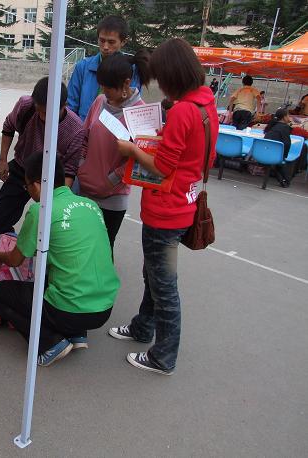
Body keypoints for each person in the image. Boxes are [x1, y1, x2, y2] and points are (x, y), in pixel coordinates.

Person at [108, 38, 218, 375]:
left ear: (171, 75)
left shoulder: (183, 110)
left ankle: (163, 357)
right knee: (153, 275)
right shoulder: (206, 104)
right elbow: (201, 156)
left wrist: (132, 149)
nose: (160, 86)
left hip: (166, 211)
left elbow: (162, 167)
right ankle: (143, 327)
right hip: (185, 204)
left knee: (164, 287)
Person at [0, 153, 120, 366]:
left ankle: (49, 342)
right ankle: (77, 334)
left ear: (37, 184)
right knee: (62, 271)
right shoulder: (90, 205)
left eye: (27, 186)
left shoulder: (41, 210)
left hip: (69, 309)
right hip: (104, 307)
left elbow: (15, 259)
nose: (29, 192)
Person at [0, 77, 84, 235]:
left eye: (47, 113)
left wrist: (57, 203)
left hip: (53, 178)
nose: (42, 117)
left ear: (64, 105)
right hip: (22, 168)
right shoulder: (25, 105)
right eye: (38, 110)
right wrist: (3, 160)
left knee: (51, 228)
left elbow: (69, 171)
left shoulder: (76, 129)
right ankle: (8, 246)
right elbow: (8, 127)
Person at [78, 51, 151, 252]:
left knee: (103, 248)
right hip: (85, 189)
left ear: (126, 83)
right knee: (82, 246)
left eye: (109, 87)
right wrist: (81, 165)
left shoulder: (140, 112)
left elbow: (140, 160)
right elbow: (84, 136)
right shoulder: (99, 101)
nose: (104, 90)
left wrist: (112, 179)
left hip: (113, 197)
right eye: (102, 85)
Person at [67, 15, 142, 121]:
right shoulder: (82, 67)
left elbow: (132, 110)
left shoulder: (132, 70)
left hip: (118, 129)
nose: (105, 47)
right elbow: (70, 107)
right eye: (102, 41)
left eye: (111, 42)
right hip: (82, 128)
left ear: (123, 42)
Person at [264, 108, 293, 188]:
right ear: (284, 117)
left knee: (277, 163)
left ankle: (283, 180)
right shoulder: (285, 128)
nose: (289, 117)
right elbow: (287, 143)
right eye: (288, 115)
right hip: (275, 155)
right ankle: (286, 180)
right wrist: (284, 156)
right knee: (281, 162)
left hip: (263, 152)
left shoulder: (272, 126)